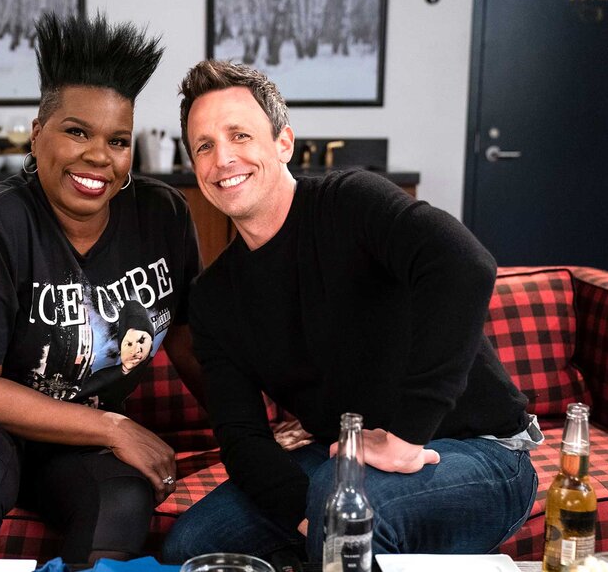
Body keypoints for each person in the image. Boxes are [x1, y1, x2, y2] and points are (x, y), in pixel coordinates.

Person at [162, 60, 541, 566]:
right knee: (193, 543)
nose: (223, 158)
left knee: (338, 506)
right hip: (345, 457)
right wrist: (305, 515)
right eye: (204, 145)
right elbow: (242, 435)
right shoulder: (214, 297)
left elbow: (465, 265)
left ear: (283, 143)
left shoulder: (351, 202)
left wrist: (407, 436)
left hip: (478, 450)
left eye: (240, 135)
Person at [0, 14, 204, 566]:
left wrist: (255, 428)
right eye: (77, 131)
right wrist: (112, 425)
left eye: (118, 140)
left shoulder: (162, 216)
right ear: (38, 135)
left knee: (124, 497)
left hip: (70, 437)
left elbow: (188, 340)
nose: (99, 156)